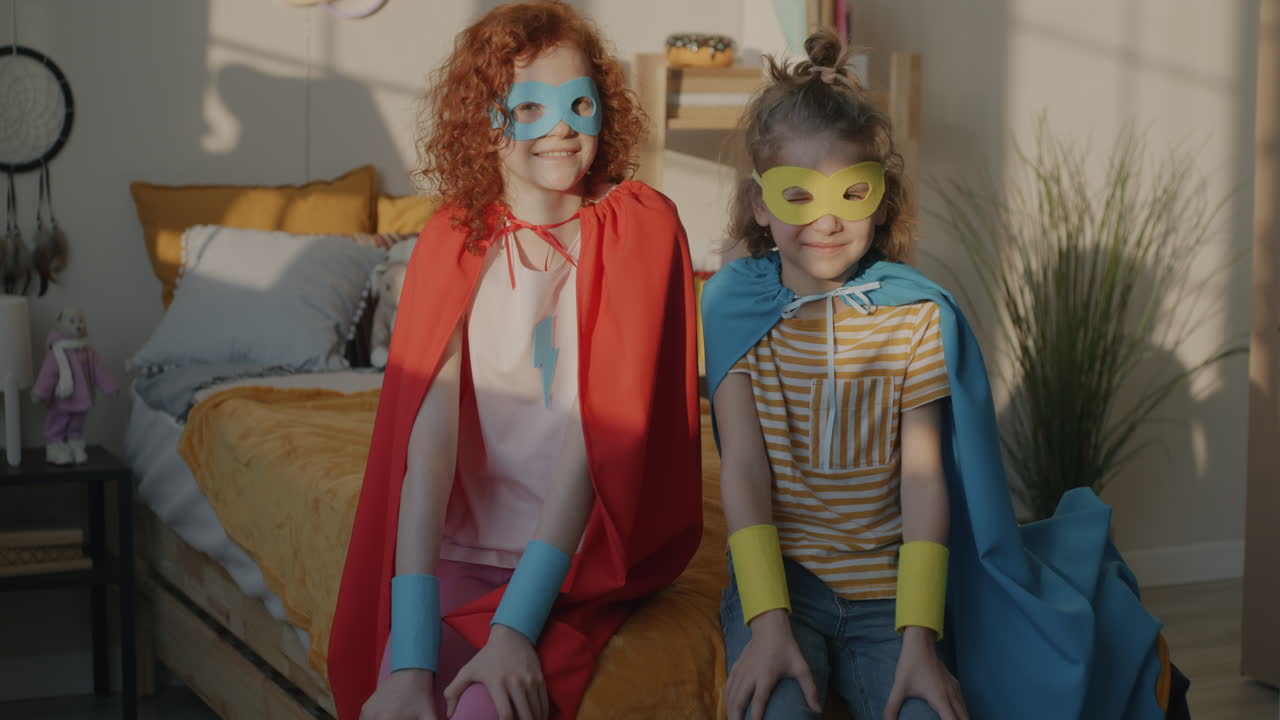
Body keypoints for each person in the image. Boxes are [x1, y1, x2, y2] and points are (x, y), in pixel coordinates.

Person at [702, 29, 1169, 720]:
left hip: (889, 596)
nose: (826, 220)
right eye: (798, 194)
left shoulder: (916, 316)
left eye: (851, 193)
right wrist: (768, 623)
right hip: (783, 587)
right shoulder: (731, 307)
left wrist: (919, 637)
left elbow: (922, 480)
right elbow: (743, 467)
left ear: (881, 198)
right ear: (759, 204)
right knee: (775, 709)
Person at [328, 3, 702, 719]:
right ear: (484, 122)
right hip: (461, 551)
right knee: (400, 700)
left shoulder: (637, 228)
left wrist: (513, 629)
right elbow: (428, 449)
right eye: (527, 106)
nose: (559, 127)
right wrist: (410, 658)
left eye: (578, 103)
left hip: (578, 563)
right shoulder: (451, 239)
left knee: (481, 708)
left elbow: (598, 437)